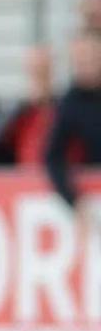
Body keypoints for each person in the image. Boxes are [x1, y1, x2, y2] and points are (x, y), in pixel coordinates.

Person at [45, 32, 101, 209]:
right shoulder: (71, 102)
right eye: (78, 60)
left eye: (89, 58)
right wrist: (72, 199)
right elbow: (53, 156)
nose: (83, 65)